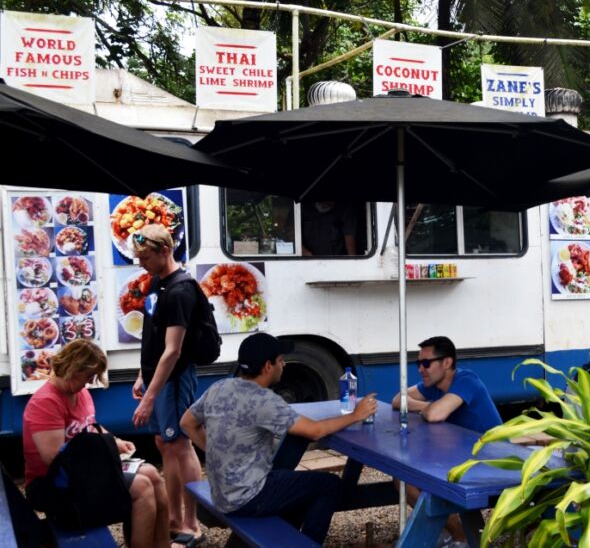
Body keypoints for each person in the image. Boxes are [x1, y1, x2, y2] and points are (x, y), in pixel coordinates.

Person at [180, 333, 377, 544]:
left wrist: (217, 452)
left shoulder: (219, 387)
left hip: (221, 493)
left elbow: (186, 423)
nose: (284, 365)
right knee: (329, 485)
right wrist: (356, 415)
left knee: (293, 484)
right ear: (268, 366)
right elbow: (315, 431)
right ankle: (308, 543)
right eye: (281, 360)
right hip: (247, 498)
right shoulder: (265, 400)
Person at [23, 340, 173, 548]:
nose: (89, 383)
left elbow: (90, 426)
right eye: (88, 377)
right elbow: (53, 458)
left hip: (80, 474)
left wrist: (115, 442)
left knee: (153, 475)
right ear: (73, 369)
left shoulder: (80, 393)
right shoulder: (46, 402)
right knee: (141, 486)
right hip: (53, 486)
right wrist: (104, 457)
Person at [129, 223, 204, 545]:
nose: (141, 263)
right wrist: (142, 375)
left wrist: (150, 396)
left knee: (180, 445)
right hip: (158, 377)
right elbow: (153, 338)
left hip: (174, 379)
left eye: (145, 257)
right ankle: (173, 516)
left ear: (165, 251)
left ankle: (192, 523)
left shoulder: (180, 290)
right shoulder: (157, 284)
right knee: (164, 444)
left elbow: (173, 351)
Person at [391, 336, 502, 547]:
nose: (420, 369)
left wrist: (431, 408)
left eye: (426, 363)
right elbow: (398, 400)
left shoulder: (466, 380)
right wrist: (428, 406)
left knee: (413, 479)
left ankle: (460, 537)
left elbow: (435, 415)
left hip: (491, 460)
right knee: (403, 478)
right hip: (461, 454)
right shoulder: (435, 385)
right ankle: (455, 533)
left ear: (447, 362)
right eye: (418, 364)